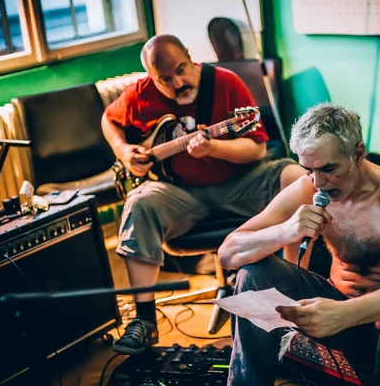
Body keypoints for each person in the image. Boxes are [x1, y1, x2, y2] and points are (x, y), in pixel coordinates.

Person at [218, 103, 380, 386]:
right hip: (335, 311)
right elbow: (228, 253)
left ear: (358, 153)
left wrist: (345, 314)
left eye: (328, 169)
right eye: (308, 170)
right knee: (252, 273)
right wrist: (284, 231)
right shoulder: (309, 186)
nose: (318, 182)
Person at [101, 34, 304, 355]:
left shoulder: (225, 83)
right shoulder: (141, 94)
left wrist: (214, 147)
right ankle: (145, 320)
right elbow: (109, 119)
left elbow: (257, 149)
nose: (177, 82)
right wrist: (124, 151)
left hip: (240, 183)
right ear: (151, 77)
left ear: (190, 57)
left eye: (181, 70)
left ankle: (294, 287)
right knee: (138, 203)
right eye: (164, 79)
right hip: (179, 191)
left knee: (297, 178)